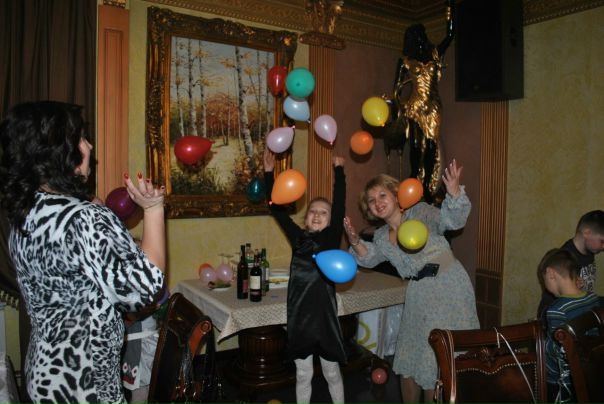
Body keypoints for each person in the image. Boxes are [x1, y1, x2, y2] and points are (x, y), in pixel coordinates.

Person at [0, 101, 166, 404]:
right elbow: (146, 288)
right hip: (84, 386)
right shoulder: (85, 218)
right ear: (59, 152)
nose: (89, 146)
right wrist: (154, 208)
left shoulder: (25, 212)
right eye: (80, 138)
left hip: (43, 374)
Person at [343, 159, 479, 404]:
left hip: (448, 287)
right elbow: (369, 258)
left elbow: (451, 221)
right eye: (371, 200)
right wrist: (355, 242)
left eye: (382, 195)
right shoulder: (381, 236)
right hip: (418, 293)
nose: (377, 202)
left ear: (396, 196)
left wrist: (454, 193)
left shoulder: (420, 212)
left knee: (436, 357)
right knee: (410, 355)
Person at [264, 149, 346, 404]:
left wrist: (339, 171)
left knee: (331, 372)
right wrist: (268, 173)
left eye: (324, 212)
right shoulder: (298, 238)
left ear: (331, 220)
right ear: (306, 218)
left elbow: (340, 204)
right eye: (313, 211)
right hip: (300, 316)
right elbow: (277, 209)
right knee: (303, 374)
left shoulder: (331, 239)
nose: (317, 215)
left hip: (324, 316)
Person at [384, 0, 455, 203]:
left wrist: (451, 10)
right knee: (416, 145)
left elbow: (450, 35)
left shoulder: (434, 54)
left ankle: (427, 186)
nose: (420, 39)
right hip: (414, 106)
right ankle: (415, 178)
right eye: (416, 36)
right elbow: (396, 89)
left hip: (433, 106)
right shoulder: (405, 61)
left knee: (431, 145)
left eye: (421, 35)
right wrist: (398, 107)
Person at [539, 248, 600, 404]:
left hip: (561, 383)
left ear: (551, 273)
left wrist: (542, 345)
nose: (545, 286)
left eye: (544, 280)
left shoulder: (556, 309)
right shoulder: (593, 299)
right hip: (590, 375)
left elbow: (557, 351)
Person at [537, 210, 604, 320]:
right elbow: (553, 295)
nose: (603, 247)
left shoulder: (590, 252)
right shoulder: (566, 258)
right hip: (560, 315)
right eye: (602, 241)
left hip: (579, 309)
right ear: (587, 233)